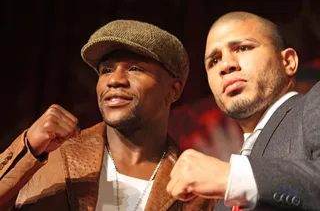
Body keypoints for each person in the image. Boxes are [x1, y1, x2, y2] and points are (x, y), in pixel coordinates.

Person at [0, 20, 215, 211]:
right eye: (107, 71)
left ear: (173, 90)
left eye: (134, 69)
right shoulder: (49, 157)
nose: (114, 80)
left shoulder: (195, 190)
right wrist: (27, 148)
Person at [166, 11, 320, 211]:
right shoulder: (222, 200)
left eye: (242, 48)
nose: (226, 65)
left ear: (288, 62)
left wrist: (231, 177)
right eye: (214, 61)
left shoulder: (314, 103)